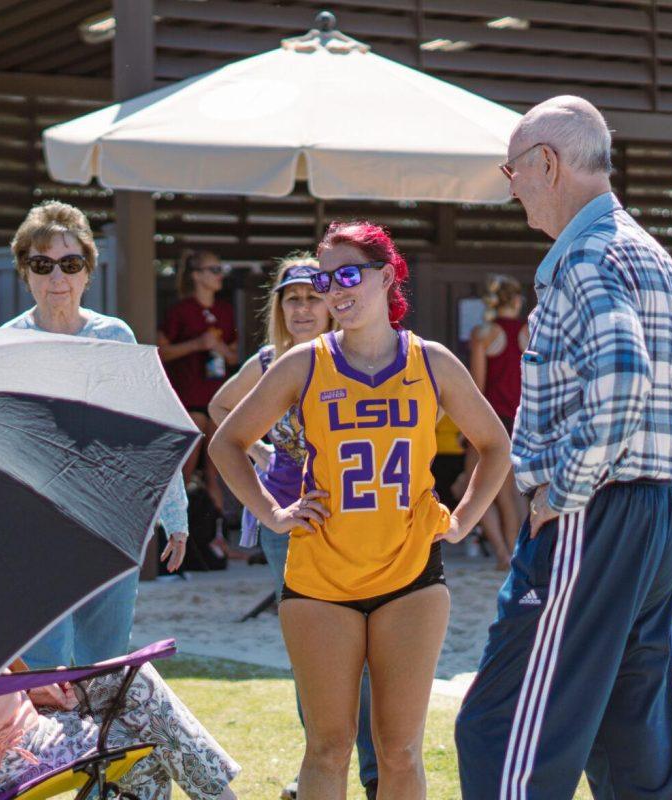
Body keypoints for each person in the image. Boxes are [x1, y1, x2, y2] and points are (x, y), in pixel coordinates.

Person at [455, 96, 672, 800]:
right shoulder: (648, 253)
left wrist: (566, 490)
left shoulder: (585, 256)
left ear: (548, 164)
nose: (511, 186)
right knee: (630, 743)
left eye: (513, 169)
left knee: (501, 738)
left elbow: (622, 376)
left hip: (591, 516)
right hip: (646, 520)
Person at [210, 221, 511, 799]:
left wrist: (466, 518)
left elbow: (496, 445)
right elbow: (227, 441)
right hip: (320, 578)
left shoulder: (433, 362)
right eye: (325, 280)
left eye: (348, 275)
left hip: (411, 575)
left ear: (388, 275)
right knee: (328, 746)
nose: (335, 290)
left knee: (400, 751)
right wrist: (274, 513)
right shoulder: (303, 363)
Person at [209, 255, 379, 799]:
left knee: (373, 652)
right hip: (292, 521)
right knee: (315, 655)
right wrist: (263, 457)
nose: (303, 308)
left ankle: (373, 775)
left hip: (357, 516)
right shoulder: (266, 361)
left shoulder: (353, 355)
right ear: (279, 307)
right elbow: (218, 408)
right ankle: (320, 773)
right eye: (293, 298)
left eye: (312, 296)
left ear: (332, 302)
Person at [1, 201, 189, 668]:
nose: (57, 278)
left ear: (88, 272)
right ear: (25, 272)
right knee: (44, 670)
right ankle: (52, 744)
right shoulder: (7, 342)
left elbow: (152, 430)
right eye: (42, 265)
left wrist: (176, 514)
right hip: (37, 524)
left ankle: (100, 744)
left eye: (70, 264)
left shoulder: (116, 337)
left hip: (111, 523)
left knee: (103, 666)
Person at [0, 661, 239, 799]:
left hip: (22, 726)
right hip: (7, 756)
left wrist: (36, 685)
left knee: (133, 678)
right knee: (145, 736)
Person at [158, 250, 239, 518]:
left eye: (220, 269)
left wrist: (219, 348)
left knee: (215, 472)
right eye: (213, 270)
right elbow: (161, 351)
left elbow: (234, 355)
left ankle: (213, 541)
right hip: (188, 398)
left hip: (217, 396)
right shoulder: (180, 310)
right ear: (196, 275)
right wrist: (196, 344)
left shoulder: (225, 310)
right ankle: (175, 531)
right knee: (186, 471)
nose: (220, 276)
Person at [467, 275, 530, 569]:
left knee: (479, 490)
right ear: (517, 301)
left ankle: (507, 554)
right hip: (524, 420)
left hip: (492, 420)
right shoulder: (529, 333)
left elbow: (477, 386)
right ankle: (518, 553)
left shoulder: (484, 334)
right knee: (515, 493)